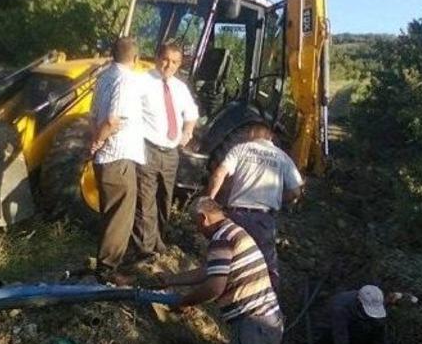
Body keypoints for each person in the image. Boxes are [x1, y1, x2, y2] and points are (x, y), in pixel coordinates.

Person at [156, 197, 283, 344]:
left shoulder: (221, 238)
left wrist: (184, 302)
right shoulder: (231, 232)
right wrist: (171, 280)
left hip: (254, 324)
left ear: (203, 218)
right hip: (267, 321)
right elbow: (208, 271)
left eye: (195, 223)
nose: (197, 229)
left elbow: (215, 286)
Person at [206, 122, 303, 289]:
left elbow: (218, 174)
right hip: (264, 221)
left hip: (237, 217)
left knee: (223, 261)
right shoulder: (282, 157)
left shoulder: (241, 149)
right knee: (266, 267)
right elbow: (296, 191)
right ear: (270, 137)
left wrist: (210, 200)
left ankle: (210, 296)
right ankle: (269, 306)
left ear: (251, 133)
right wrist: (277, 198)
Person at [133, 42, 199, 259]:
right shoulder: (141, 81)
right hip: (147, 149)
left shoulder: (179, 88)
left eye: (175, 62)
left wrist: (187, 132)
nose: (169, 65)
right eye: (165, 59)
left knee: (164, 199)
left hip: (171, 154)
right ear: (156, 57)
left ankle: (159, 242)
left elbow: (191, 114)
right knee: (145, 201)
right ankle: (144, 249)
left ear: (179, 64)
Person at [90, 36, 144, 279]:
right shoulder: (126, 81)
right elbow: (113, 119)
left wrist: (96, 143)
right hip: (119, 155)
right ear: (135, 58)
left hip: (104, 157)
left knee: (109, 212)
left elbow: (94, 117)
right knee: (120, 216)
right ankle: (109, 271)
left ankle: (104, 262)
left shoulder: (104, 78)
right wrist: (100, 140)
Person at [312, 285, 395, 344]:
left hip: (354, 321)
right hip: (329, 330)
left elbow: (382, 337)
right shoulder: (340, 309)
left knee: (370, 329)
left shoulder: (374, 302)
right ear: (359, 303)